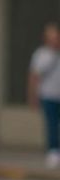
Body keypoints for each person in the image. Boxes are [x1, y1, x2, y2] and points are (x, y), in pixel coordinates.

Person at [27, 21, 60, 169]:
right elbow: (34, 76)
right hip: (48, 96)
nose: (54, 39)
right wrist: (33, 96)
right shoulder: (41, 54)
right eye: (51, 37)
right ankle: (53, 152)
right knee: (52, 124)